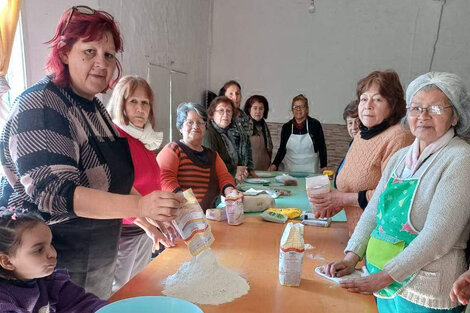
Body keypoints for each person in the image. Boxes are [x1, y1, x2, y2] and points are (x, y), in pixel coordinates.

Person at [0, 6, 183, 298]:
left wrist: (148, 218)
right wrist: (139, 207)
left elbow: (112, 183)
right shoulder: (42, 104)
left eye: (108, 55)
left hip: (98, 250)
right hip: (51, 258)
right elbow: (53, 192)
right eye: (89, 51)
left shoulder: (94, 107)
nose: (101, 63)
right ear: (64, 53)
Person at [322, 72, 470, 313]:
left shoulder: (460, 159)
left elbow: (439, 237)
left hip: (425, 293)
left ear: (455, 116)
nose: (423, 116)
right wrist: (352, 256)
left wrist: (384, 277)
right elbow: (373, 210)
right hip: (385, 283)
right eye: (416, 108)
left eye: (434, 108)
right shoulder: (401, 157)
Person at [310, 70, 413, 236]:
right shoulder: (361, 135)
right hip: (357, 239)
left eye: (377, 99)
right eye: (364, 99)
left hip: (383, 241)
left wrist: (342, 199)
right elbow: (353, 185)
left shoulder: (399, 136)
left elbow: (393, 195)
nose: (368, 105)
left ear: (392, 105)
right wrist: (334, 204)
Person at [108, 75, 172, 293]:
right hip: (126, 228)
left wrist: (158, 221)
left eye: (145, 103)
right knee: (120, 290)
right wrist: (148, 225)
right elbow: (121, 187)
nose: (140, 109)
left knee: (138, 286)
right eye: (133, 102)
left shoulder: (144, 139)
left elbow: (151, 185)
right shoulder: (115, 137)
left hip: (144, 229)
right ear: (120, 103)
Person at [0, 209, 108, 312]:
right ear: (7, 261)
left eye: (50, 244)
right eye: (39, 250)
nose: (53, 254)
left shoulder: (49, 281)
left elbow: (82, 303)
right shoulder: (3, 301)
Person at [158, 103, 240, 211]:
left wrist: (230, 192)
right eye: (190, 122)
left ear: (205, 128)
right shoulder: (173, 149)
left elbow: (224, 177)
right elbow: (165, 178)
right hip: (178, 216)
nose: (195, 126)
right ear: (181, 127)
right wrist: (185, 202)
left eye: (200, 122)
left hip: (207, 218)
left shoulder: (213, 156)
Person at [268, 94, 327, 174]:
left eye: (302, 107)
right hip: (290, 169)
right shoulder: (286, 127)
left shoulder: (315, 125)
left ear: (307, 109)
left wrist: (324, 166)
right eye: (295, 107)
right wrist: (274, 164)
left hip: (311, 169)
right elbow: (282, 149)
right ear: (292, 110)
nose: (298, 109)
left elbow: (322, 147)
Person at [203, 96, 248, 183]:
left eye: (228, 111)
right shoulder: (209, 133)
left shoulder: (227, 133)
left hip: (226, 182)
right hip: (213, 186)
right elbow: (211, 164)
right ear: (212, 114)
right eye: (221, 111)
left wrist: (240, 172)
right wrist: (235, 170)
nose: (225, 114)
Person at [219, 80, 257, 178]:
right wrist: (234, 170)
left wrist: (250, 168)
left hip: (243, 172)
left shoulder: (244, 116)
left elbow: (247, 144)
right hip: (228, 171)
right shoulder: (223, 118)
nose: (235, 97)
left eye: (238, 94)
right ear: (224, 96)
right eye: (231, 94)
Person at [244, 95, 273, 171]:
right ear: (249, 109)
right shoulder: (243, 127)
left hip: (265, 172)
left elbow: (269, 150)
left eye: (261, 108)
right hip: (248, 172)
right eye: (255, 108)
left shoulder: (265, 127)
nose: (258, 111)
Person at [334, 100, 359, 187]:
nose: (354, 127)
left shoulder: (365, 147)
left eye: (357, 122)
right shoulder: (353, 144)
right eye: (350, 123)